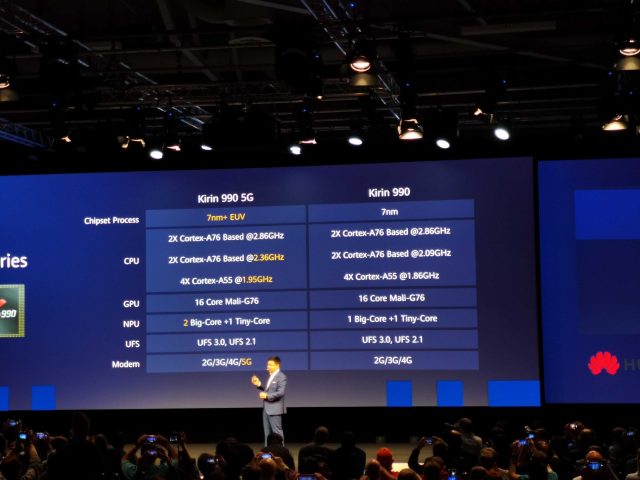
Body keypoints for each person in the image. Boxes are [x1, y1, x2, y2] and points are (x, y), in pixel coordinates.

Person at [251, 356, 287, 445]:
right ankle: (267, 451)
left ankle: (281, 451)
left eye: (270, 365)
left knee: (277, 433)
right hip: (266, 409)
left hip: (275, 409)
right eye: (267, 364)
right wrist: (259, 385)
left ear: (277, 365)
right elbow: (268, 391)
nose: (268, 367)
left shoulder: (281, 376)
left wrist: (267, 396)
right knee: (267, 434)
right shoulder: (271, 376)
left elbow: (281, 393)